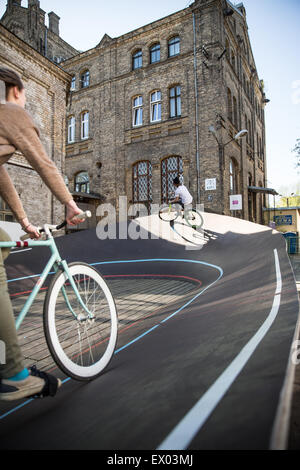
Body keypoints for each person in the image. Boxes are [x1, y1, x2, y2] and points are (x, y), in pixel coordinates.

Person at [0, 67, 84, 401]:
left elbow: (1, 176)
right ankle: (15, 373)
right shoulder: (12, 113)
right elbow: (44, 163)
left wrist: (22, 219)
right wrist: (69, 203)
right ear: (16, 91)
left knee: (4, 243)